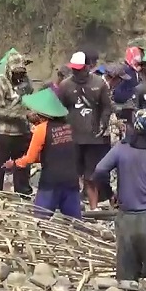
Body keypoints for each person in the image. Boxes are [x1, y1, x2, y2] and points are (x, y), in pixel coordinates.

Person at [92, 108, 146, 291]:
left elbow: (99, 170)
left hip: (126, 222)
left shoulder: (121, 149)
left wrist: (109, 194)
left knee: (126, 286)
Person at [3, 89, 80, 219]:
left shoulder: (41, 129)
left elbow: (30, 158)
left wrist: (14, 163)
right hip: (71, 179)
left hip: (51, 181)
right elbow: (61, 149)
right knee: (76, 222)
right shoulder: (70, 126)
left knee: (40, 220)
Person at [57, 51, 112, 210]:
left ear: (87, 67)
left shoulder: (99, 84)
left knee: (91, 175)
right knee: (73, 174)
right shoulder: (65, 85)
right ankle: (73, 205)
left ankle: (94, 207)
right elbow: (59, 110)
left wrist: (104, 123)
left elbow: (107, 107)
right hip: (72, 136)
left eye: (79, 69)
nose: (77, 72)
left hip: (93, 137)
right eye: (74, 69)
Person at [0, 50, 32, 195]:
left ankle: (23, 193)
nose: (19, 75)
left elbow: (30, 101)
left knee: (23, 165)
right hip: (5, 132)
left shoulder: (25, 82)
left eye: (22, 72)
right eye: (17, 72)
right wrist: (22, 115)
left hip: (22, 131)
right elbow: (0, 111)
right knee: (1, 166)